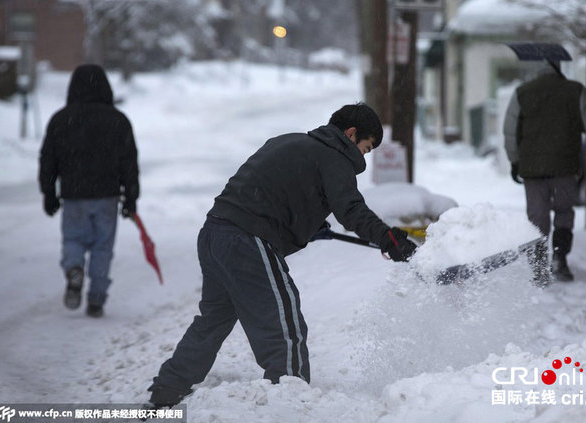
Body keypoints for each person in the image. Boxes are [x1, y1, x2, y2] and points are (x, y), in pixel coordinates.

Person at [146, 103, 417, 408]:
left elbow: (272, 188)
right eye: (366, 148)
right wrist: (388, 238)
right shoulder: (334, 157)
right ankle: (288, 405)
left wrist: (307, 223)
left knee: (213, 321)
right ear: (351, 134)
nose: (363, 157)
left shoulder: (290, 141)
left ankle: (164, 394)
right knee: (285, 327)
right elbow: (351, 209)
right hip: (246, 239)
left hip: (214, 233)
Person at [39, 64, 139, 318]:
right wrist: (131, 197)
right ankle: (96, 299)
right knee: (102, 247)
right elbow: (129, 161)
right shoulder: (117, 120)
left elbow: (48, 160)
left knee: (73, 239)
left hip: (73, 196)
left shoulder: (61, 120)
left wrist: (49, 193)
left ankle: (74, 268)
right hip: (107, 196)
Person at [503, 61, 586, 285]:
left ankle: (538, 267)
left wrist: (515, 161)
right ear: (559, 69)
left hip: (532, 169)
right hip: (564, 167)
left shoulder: (522, 92)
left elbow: (509, 131)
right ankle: (560, 259)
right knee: (564, 211)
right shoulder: (575, 90)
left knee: (537, 216)